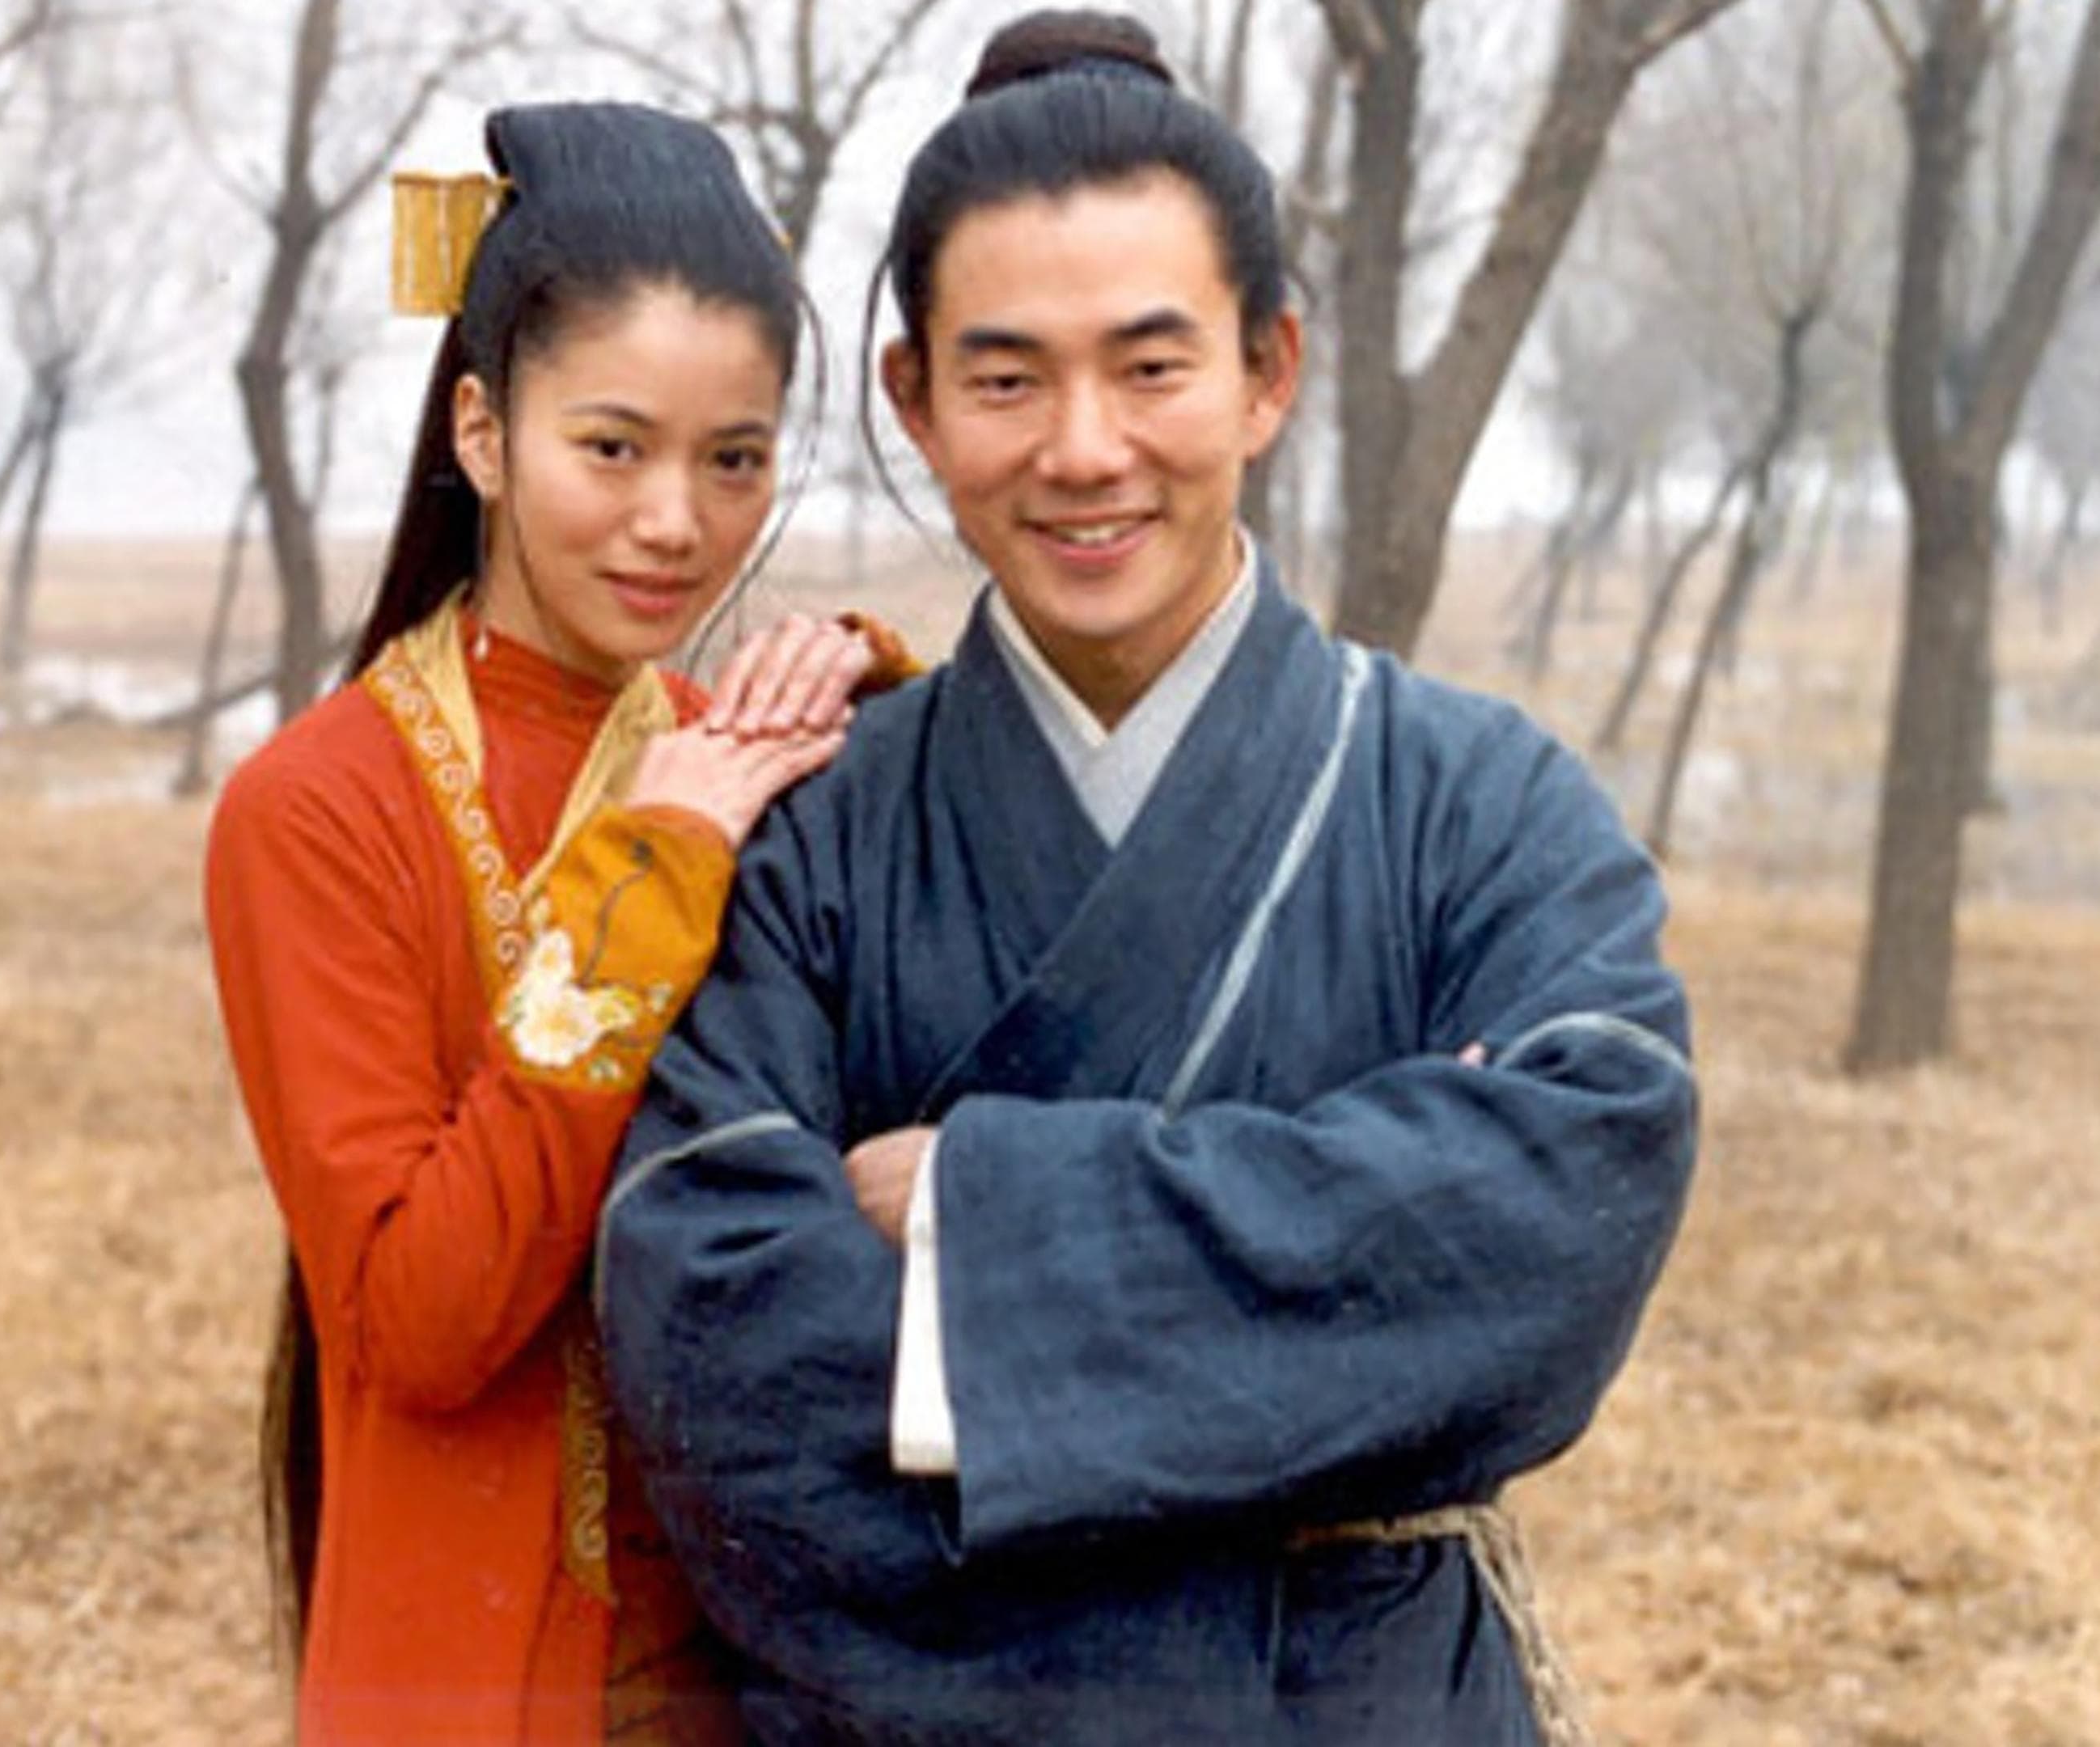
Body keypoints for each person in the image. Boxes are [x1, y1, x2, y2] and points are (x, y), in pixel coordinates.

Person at [596, 14, 1698, 1744]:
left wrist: (974, 1219)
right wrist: (1329, 1301)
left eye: (1152, 368)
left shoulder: (1480, 804)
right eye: (1008, 379)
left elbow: (1567, 1214)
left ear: (1269, 371)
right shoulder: (809, 836)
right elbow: (714, 1328)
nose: (1085, 449)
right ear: (913, 401)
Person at [205, 101, 905, 1745]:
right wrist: (655, 866)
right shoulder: (319, 810)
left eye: (734, 460)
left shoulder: (756, 766)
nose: (677, 522)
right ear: (482, 430)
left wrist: (894, 735)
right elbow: (425, 1320)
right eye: (613, 448)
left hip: (776, 1678)